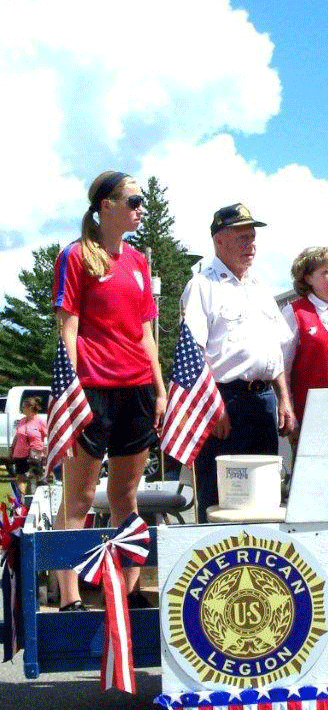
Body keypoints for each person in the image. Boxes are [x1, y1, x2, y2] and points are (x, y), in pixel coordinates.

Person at [52, 170, 166, 611]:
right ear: (106, 206)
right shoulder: (77, 256)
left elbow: (145, 333)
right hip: (92, 388)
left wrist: (159, 390)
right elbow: (68, 325)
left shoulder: (138, 262)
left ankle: (129, 586)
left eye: (142, 203)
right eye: (133, 201)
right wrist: (72, 388)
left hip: (136, 387)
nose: (141, 209)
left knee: (125, 495)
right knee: (79, 496)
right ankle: (69, 595)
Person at [180, 204, 295, 522]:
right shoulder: (203, 286)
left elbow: (275, 351)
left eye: (253, 238)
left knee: (264, 499)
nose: (251, 245)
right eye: (243, 238)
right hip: (224, 400)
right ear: (219, 240)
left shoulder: (259, 287)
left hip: (263, 401)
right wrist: (212, 406)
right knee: (221, 499)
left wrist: (283, 399)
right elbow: (193, 354)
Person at [281, 247, 328, 433]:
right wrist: (289, 411)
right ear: (308, 278)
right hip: (310, 417)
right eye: (327, 271)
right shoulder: (295, 313)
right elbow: (283, 368)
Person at [10, 396, 47, 495]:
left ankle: (34, 498)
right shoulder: (22, 420)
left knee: (35, 478)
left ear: (30, 408)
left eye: (24, 407)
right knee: (21, 478)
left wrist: (45, 451)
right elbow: (17, 435)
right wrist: (12, 448)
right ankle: (23, 501)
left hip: (35, 454)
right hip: (20, 453)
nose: (22, 409)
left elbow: (47, 434)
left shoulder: (40, 421)